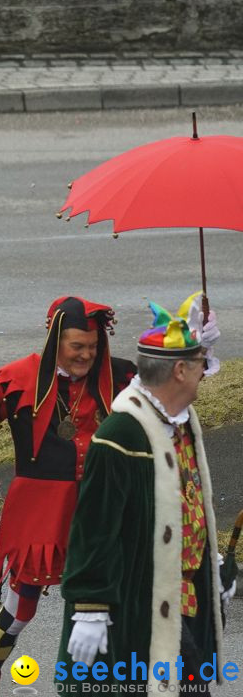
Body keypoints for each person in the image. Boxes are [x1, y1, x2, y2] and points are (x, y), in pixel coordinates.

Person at [0, 297, 145, 696]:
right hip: (40, 513)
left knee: (116, 604)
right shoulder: (24, 376)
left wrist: (198, 354)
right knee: (20, 610)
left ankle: (113, 686)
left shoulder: (120, 375)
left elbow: (165, 395)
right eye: (77, 347)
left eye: (92, 346)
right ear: (57, 340)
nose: (86, 355)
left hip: (104, 510)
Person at [55, 294, 233, 695]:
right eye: (201, 363)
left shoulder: (182, 421)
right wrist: (90, 608)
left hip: (184, 601)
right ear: (180, 371)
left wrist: (211, 568)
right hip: (140, 605)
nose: (208, 370)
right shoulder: (121, 435)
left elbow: (187, 504)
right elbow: (94, 528)